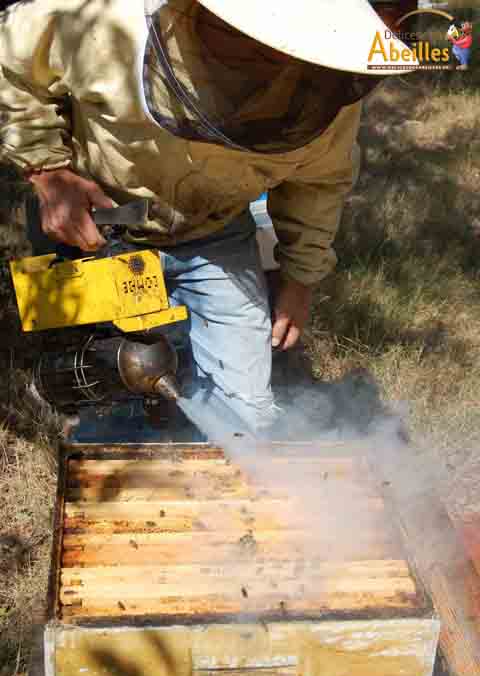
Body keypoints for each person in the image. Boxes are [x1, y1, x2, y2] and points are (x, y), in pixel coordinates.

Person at [0, 0, 416, 438]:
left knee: (247, 415)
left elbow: (318, 182)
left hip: (214, 233)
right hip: (93, 226)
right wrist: (48, 172)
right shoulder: (103, 18)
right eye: (254, 51)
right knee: (97, 386)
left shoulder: (323, 80)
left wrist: (300, 281)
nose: (270, 70)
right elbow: (11, 56)